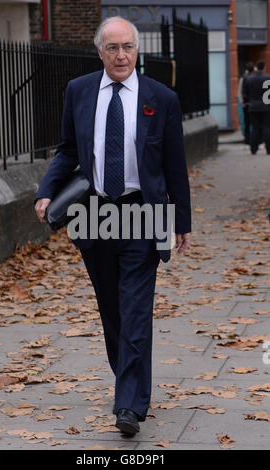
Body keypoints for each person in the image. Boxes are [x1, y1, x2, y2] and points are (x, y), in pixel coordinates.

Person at [34, 17, 191, 436]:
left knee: (136, 308)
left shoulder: (162, 98)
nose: (121, 55)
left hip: (145, 214)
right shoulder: (79, 91)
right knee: (113, 311)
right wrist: (46, 191)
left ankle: (129, 406)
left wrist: (183, 222)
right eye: (112, 48)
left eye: (128, 47)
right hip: (97, 214)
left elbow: (175, 165)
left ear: (137, 51)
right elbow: (67, 150)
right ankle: (131, 382)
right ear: (99, 52)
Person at [243, 60, 270, 154]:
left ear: (256, 67)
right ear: (264, 67)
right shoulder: (268, 78)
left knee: (255, 128)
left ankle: (253, 149)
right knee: (266, 127)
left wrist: (247, 102)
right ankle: (269, 149)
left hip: (253, 106)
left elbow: (245, 94)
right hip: (266, 106)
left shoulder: (249, 79)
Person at [238, 62, 254, 144]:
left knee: (246, 122)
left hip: (246, 103)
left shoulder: (243, 78)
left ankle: (247, 139)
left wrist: (241, 101)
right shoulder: (255, 77)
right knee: (255, 122)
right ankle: (255, 139)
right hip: (254, 103)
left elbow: (239, 91)